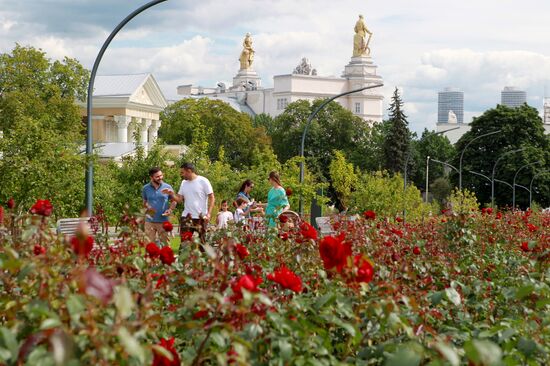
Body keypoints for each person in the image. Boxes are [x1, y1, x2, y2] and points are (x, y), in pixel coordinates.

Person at [163, 163, 215, 245]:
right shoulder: (184, 183)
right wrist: (171, 194)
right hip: (186, 217)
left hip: (201, 218)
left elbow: (212, 197)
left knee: (202, 243)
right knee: (184, 243)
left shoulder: (203, 181)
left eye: (182, 172)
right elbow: (179, 200)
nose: (181, 175)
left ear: (189, 171)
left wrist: (209, 213)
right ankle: (183, 258)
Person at [142, 167, 175, 245]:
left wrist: (170, 210)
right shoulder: (145, 188)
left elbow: (174, 201)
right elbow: (144, 202)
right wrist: (147, 208)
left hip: (163, 221)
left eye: (161, 175)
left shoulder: (168, 187)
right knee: (149, 246)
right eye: (157, 177)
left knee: (166, 245)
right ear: (151, 177)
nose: (160, 178)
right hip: (149, 222)